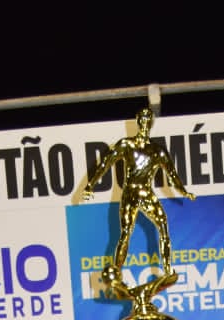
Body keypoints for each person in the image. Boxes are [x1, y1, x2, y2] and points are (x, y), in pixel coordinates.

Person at [81, 107, 194, 303]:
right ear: (137, 120)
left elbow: (172, 175)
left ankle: (168, 269)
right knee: (126, 233)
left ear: (151, 123)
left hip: (146, 192)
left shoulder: (157, 151)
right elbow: (105, 163)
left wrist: (183, 191)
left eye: (148, 118)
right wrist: (90, 184)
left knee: (163, 226)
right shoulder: (127, 145)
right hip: (131, 192)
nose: (145, 122)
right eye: (142, 118)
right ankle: (117, 273)